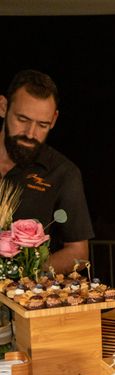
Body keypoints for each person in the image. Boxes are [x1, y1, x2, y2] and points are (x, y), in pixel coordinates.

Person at [0, 70, 93, 273]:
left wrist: (22, 272)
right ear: (3, 107)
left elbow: (78, 251)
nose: (31, 134)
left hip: (20, 299)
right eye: (22, 120)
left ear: (54, 120)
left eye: (42, 125)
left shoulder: (63, 173)